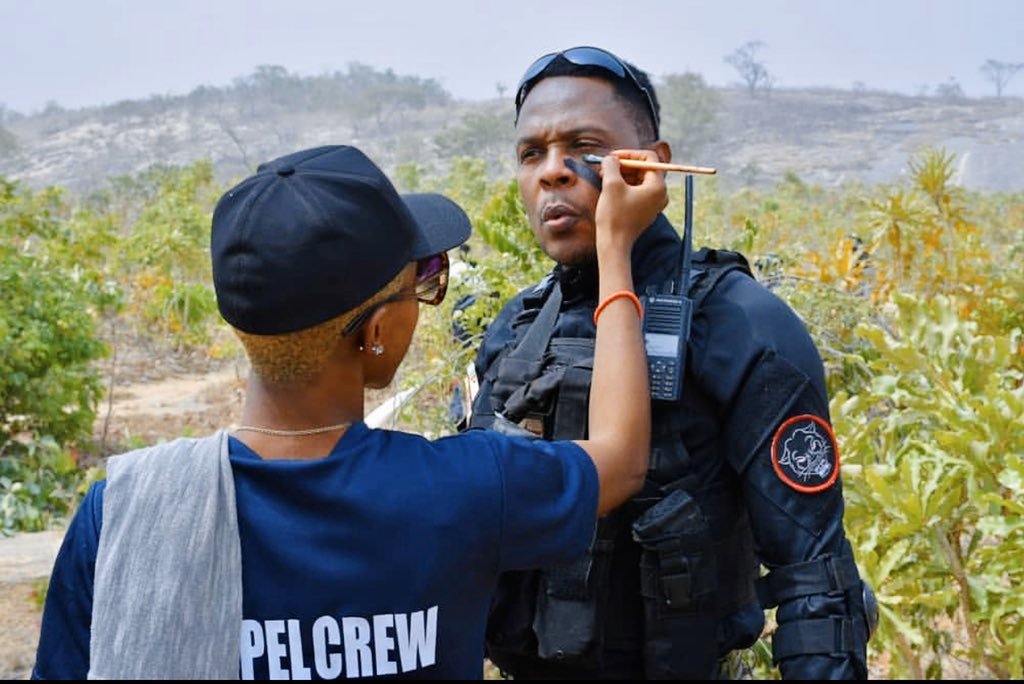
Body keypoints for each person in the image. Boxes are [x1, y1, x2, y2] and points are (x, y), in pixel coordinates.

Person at [30, 143, 669, 680]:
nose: (426, 295)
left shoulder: (118, 512)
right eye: (424, 278)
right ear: (379, 331)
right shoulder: (467, 489)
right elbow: (621, 456)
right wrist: (616, 248)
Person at [465, 46, 875, 679]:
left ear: (653, 165)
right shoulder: (517, 327)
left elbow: (816, 582)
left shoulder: (737, 320)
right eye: (530, 154)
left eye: (582, 146)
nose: (552, 172)